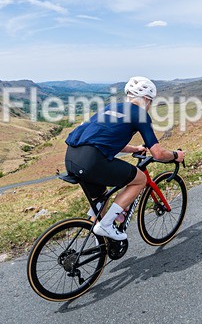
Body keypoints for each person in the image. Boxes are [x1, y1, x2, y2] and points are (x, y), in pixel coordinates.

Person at [64, 76, 186, 241]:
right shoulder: (140, 114)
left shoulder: (111, 107)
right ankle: (106, 226)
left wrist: (134, 149)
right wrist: (176, 155)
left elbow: (103, 139)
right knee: (140, 179)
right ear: (145, 99)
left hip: (72, 157)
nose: (149, 106)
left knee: (101, 197)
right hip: (92, 161)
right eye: (150, 101)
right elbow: (158, 154)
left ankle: (95, 241)